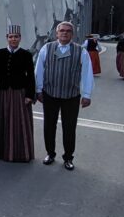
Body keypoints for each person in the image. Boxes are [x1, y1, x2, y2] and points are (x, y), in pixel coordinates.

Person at [35, 21, 94, 171]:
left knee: (69, 128)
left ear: (72, 34)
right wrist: (38, 90)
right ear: (56, 33)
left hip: (71, 96)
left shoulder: (81, 51)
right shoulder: (47, 48)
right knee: (49, 126)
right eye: (62, 30)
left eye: (68, 31)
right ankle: (50, 153)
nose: (65, 33)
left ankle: (68, 157)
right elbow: (39, 70)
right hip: (50, 94)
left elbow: (87, 73)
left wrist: (86, 94)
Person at [0, 25, 36, 162]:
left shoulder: (26, 54)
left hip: (19, 92)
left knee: (20, 121)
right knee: (4, 119)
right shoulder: (0, 53)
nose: (13, 39)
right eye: (11, 37)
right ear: (7, 38)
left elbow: (30, 76)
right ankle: (3, 151)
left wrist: (29, 95)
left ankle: (21, 152)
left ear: (20, 38)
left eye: (16, 37)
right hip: (4, 92)